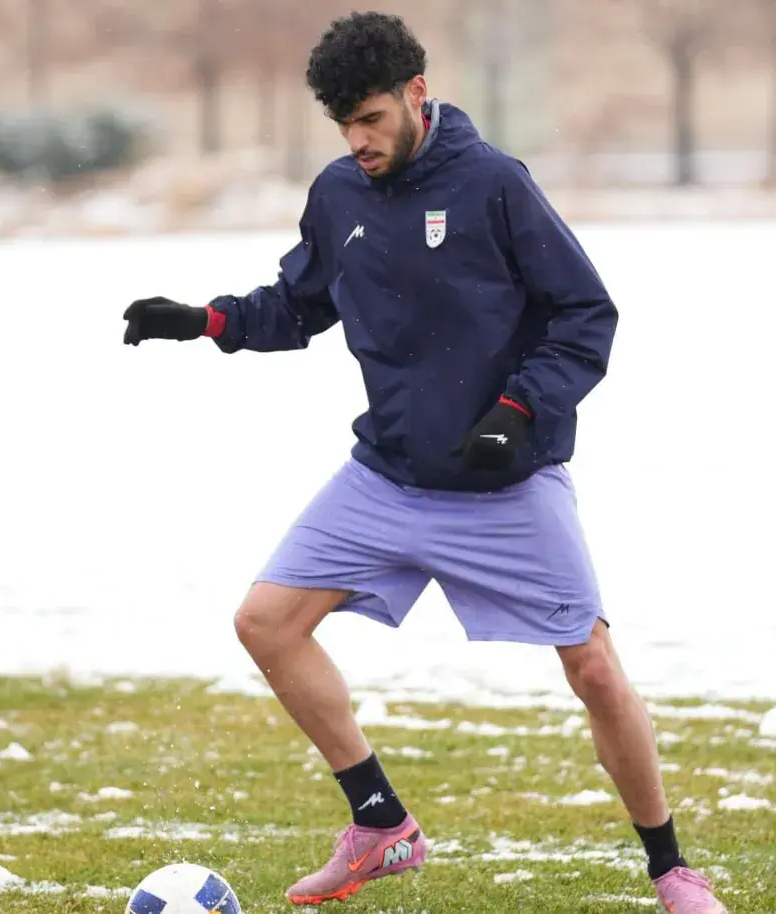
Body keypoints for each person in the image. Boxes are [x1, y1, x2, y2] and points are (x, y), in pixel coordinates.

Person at [122, 11, 727, 914]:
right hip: (387, 479)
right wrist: (206, 322)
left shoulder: (494, 185)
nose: (357, 142)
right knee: (265, 622)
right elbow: (296, 307)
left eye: (370, 119)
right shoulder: (339, 195)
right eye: (343, 127)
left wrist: (517, 413)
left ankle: (672, 871)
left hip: (507, 484)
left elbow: (584, 317)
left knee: (594, 668)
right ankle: (380, 825)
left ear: (416, 94)